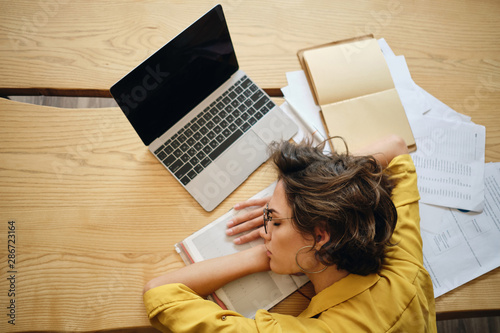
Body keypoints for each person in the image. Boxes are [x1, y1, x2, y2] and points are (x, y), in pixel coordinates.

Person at [143, 135, 437, 332]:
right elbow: (397, 148)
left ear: (321, 237)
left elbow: (161, 292)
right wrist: (327, 186)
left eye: (275, 221)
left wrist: (264, 254)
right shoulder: (402, 272)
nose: (266, 228)